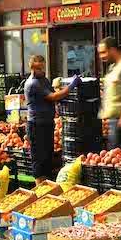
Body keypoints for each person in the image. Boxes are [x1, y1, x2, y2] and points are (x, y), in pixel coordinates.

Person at [24, 55, 79, 184]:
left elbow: (53, 92)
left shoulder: (44, 80)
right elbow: (53, 96)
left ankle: (47, 185)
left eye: (43, 67)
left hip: (47, 123)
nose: (42, 70)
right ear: (32, 68)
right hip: (36, 124)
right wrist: (71, 86)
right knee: (39, 157)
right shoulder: (33, 83)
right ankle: (39, 187)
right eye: (39, 68)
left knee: (48, 155)